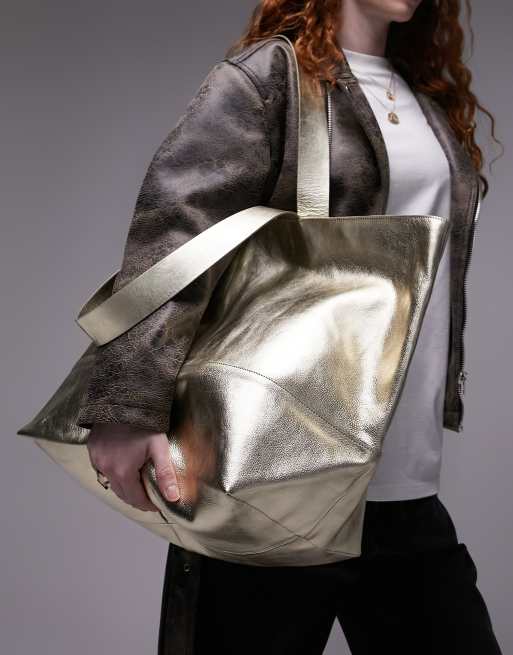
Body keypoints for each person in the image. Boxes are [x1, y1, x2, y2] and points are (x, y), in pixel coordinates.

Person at [77, 0, 504, 653]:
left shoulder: (422, 94)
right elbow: (176, 240)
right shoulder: (267, 80)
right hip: (272, 481)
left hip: (401, 483)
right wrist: (126, 406)